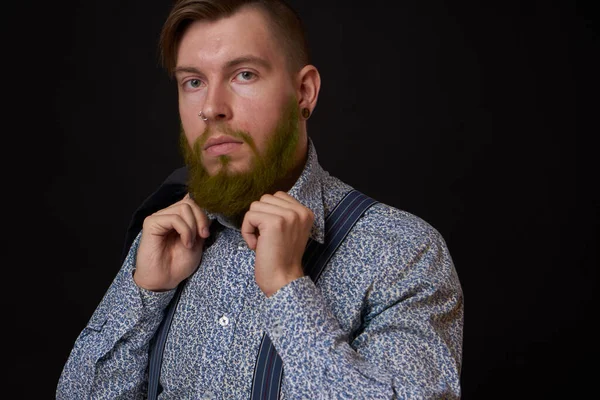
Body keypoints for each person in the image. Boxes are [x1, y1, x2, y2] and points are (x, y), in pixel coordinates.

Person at [56, 0, 464, 398]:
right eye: (193, 82)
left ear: (304, 91)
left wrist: (288, 290)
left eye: (244, 74)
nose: (212, 108)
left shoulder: (402, 251)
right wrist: (144, 294)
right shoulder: (164, 238)